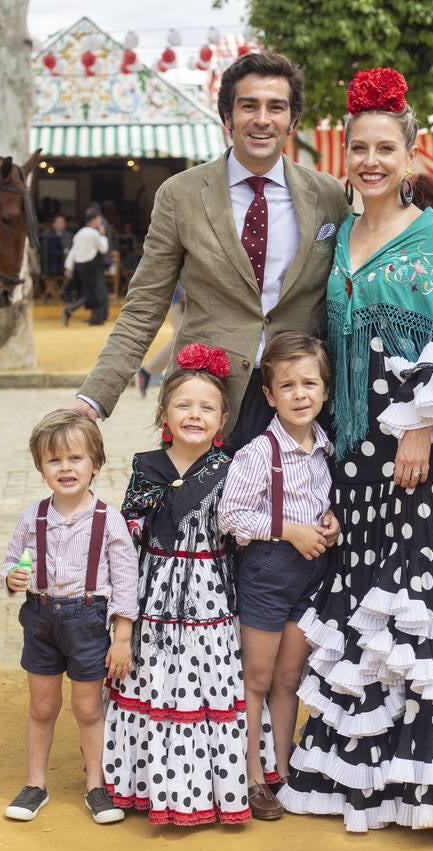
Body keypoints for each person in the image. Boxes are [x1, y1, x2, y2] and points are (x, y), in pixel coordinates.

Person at [278, 67, 433, 833]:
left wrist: (418, 430)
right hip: (356, 453)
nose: (371, 161)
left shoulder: (425, 242)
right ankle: (375, 773)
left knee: (427, 599)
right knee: (376, 600)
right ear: (343, 154)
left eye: (386, 149)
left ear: (410, 159)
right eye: (359, 149)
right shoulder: (343, 235)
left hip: (414, 450)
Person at [70, 51, 433, 450]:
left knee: (300, 515)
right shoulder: (181, 196)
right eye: (249, 106)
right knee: (202, 513)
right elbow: (144, 307)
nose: (263, 118)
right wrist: (94, 399)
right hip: (207, 401)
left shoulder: (328, 195)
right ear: (227, 117)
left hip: (302, 403)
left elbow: (372, 260)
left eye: (276, 107)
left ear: (292, 120)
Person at [103, 343, 276, 826]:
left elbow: (250, 524)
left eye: (207, 407)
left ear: (224, 419)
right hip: (153, 596)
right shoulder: (145, 468)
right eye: (183, 405)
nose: (194, 414)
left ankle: (213, 790)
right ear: (163, 413)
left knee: (207, 687)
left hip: (212, 600)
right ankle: (146, 784)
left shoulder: (232, 470)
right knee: (152, 681)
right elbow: (127, 539)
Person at [0, 410, 139, 825]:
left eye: (75, 458)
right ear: (41, 467)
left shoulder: (108, 520)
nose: (65, 468)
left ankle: (96, 785)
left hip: (89, 621)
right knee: (42, 706)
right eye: (54, 460)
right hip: (40, 619)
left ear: (95, 463)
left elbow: (126, 584)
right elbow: (9, 564)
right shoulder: (32, 517)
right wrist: (13, 577)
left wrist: (122, 637)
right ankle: (35, 784)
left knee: (88, 707)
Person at [218, 332, 335, 820]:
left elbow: (327, 505)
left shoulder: (327, 449)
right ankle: (250, 776)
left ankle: (282, 771)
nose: (300, 393)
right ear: (269, 395)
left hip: (310, 579)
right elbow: (231, 516)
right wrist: (288, 531)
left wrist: (334, 522)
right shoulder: (258, 453)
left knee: (290, 677)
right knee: (258, 677)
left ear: (326, 390)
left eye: (310, 383)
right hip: (267, 574)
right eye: (287, 385)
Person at [137, 282, 185, 397]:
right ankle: (149, 371)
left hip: (191, 297)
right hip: (181, 298)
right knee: (180, 339)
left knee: (183, 339)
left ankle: (150, 371)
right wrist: (183, 292)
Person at [63, 208, 109, 326]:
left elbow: (73, 251)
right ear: (94, 220)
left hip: (79, 266)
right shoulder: (94, 233)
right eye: (98, 219)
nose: (100, 221)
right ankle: (70, 309)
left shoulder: (80, 233)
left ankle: (95, 318)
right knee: (93, 293)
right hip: (90, 265)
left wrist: (68, 267)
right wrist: (103, 236)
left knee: (89, 292)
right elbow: (103, 249)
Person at [40, 214, 73, 302]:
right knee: (49, 277)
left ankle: (63, 291)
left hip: (67, 264)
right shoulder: (47, 235)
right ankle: (56, 295)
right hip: (52, 265)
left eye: (63, 222)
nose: (61, 224)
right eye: (58, 222)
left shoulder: (69, 235)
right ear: (53, 224)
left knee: (72, 274)